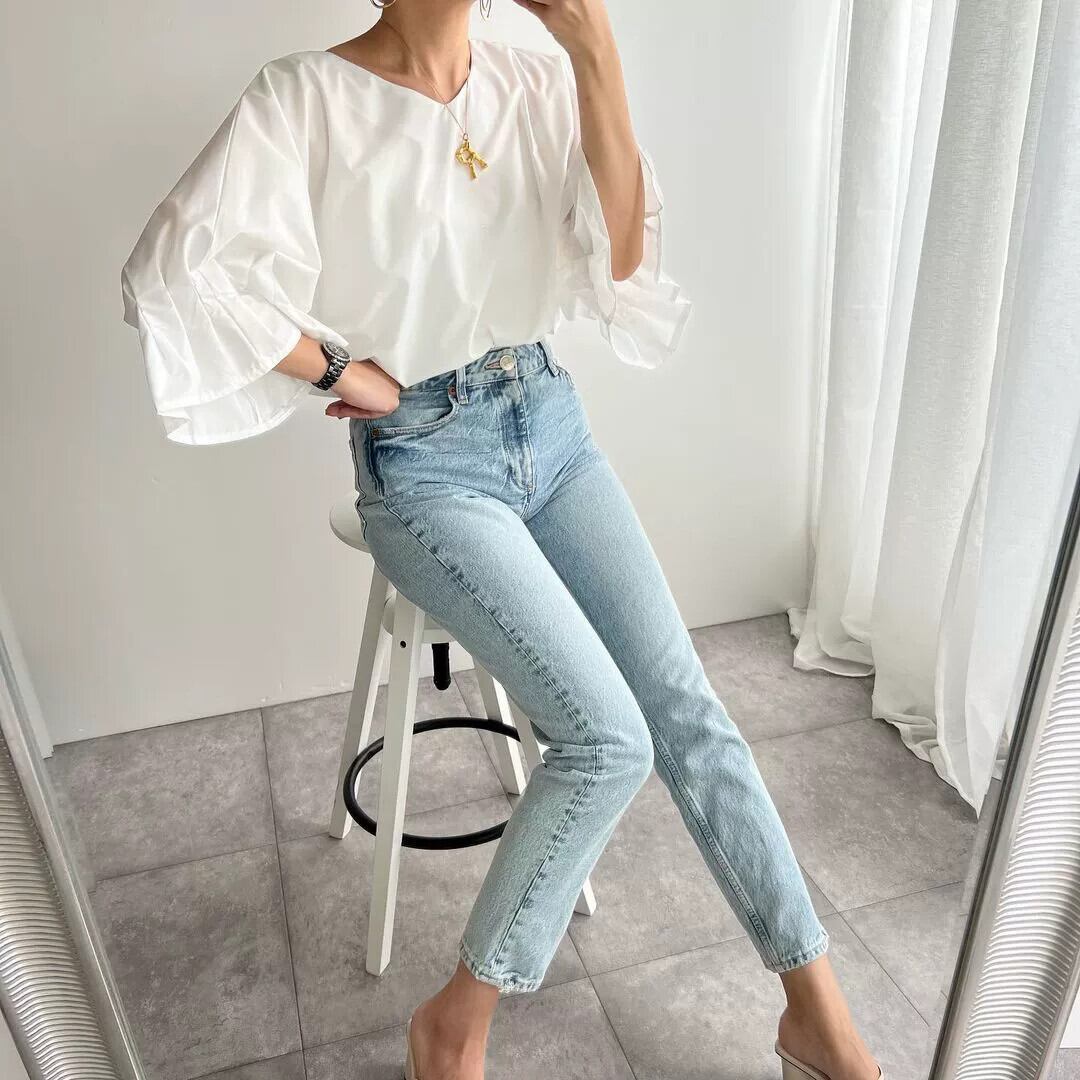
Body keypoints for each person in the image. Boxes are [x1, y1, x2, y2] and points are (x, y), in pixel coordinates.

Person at [120, 1, 882, 1077]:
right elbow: (176, 268)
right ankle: (456, 1021)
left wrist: (593, 46)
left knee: (687, 711)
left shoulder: (535, 81)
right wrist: (337, 368)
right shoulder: (304, 95)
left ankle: (816, 1012)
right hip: (425, 459)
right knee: (608, 740)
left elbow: (623, 261)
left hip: (550, 423)